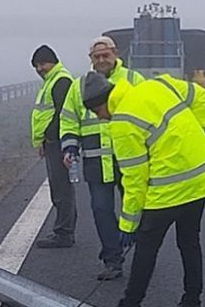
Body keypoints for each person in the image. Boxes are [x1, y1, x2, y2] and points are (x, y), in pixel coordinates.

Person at [82, 72, 205, 307]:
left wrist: (128, 225)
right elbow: (201, 95)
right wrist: (202, 131)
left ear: (99, 105)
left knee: (146, 248)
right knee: (189, 240)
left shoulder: (121, 122)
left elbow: (134, 179)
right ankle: (192, 299)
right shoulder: (158, 84)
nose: (101, 119)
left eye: (97, 113)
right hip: (201, 179)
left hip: (168, 190)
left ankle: (131, 302)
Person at [60, 37, 144, 280]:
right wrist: (70, 147)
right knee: (101, 210)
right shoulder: (79, 86)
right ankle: (112, 260)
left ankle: (142, 254)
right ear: (90, 60)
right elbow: (68, 119)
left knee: (137, 208)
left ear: (115, 54)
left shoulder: (133, 80)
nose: (101, 60)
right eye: (96, 57)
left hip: (130, 160)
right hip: (96, 161)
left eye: (105, 55)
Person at [30, 45, 77, 248]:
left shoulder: (61, 81)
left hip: (58, 142)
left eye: (43, 64)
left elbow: (62, 115)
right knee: (58, 188)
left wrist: (51, 138)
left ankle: (64, 233)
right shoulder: (51, 81)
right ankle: (63, 230)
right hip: (51, 142)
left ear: (53, 61)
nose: (40, 68)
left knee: (62, 189)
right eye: (36, 66)